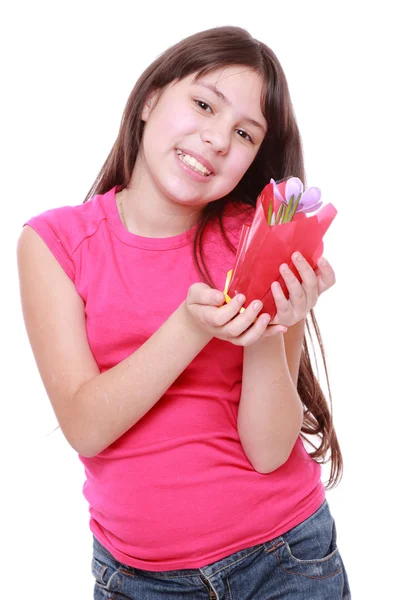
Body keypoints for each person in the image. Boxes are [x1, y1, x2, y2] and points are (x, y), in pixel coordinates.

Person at [17, 25, 351, 600]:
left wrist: (270, 329)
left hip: (287, 559)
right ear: (150, 99)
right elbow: (86, 427)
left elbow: (270, 450)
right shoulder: (55, 244)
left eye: (244, 133)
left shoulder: (262, 238)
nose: (218, 139)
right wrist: (190, 326)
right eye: (203, 104)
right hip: (139, 580)